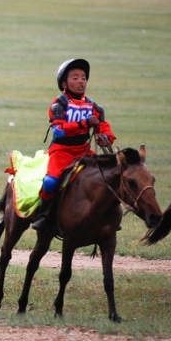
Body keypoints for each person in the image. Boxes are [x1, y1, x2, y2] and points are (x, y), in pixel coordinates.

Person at [30, 58, 115, 232]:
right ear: (64, 83)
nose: (80, 81)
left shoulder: (95, 107)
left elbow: (105, 130)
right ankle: (43, 215)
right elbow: (59, 131)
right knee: (50, 182)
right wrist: (84, 124)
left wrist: (104, 138)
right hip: (61, 151)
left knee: (108, 177)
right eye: (75, 77)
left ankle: (107, 216)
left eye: (83, 77)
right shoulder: (58, 104)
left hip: (84, 151)